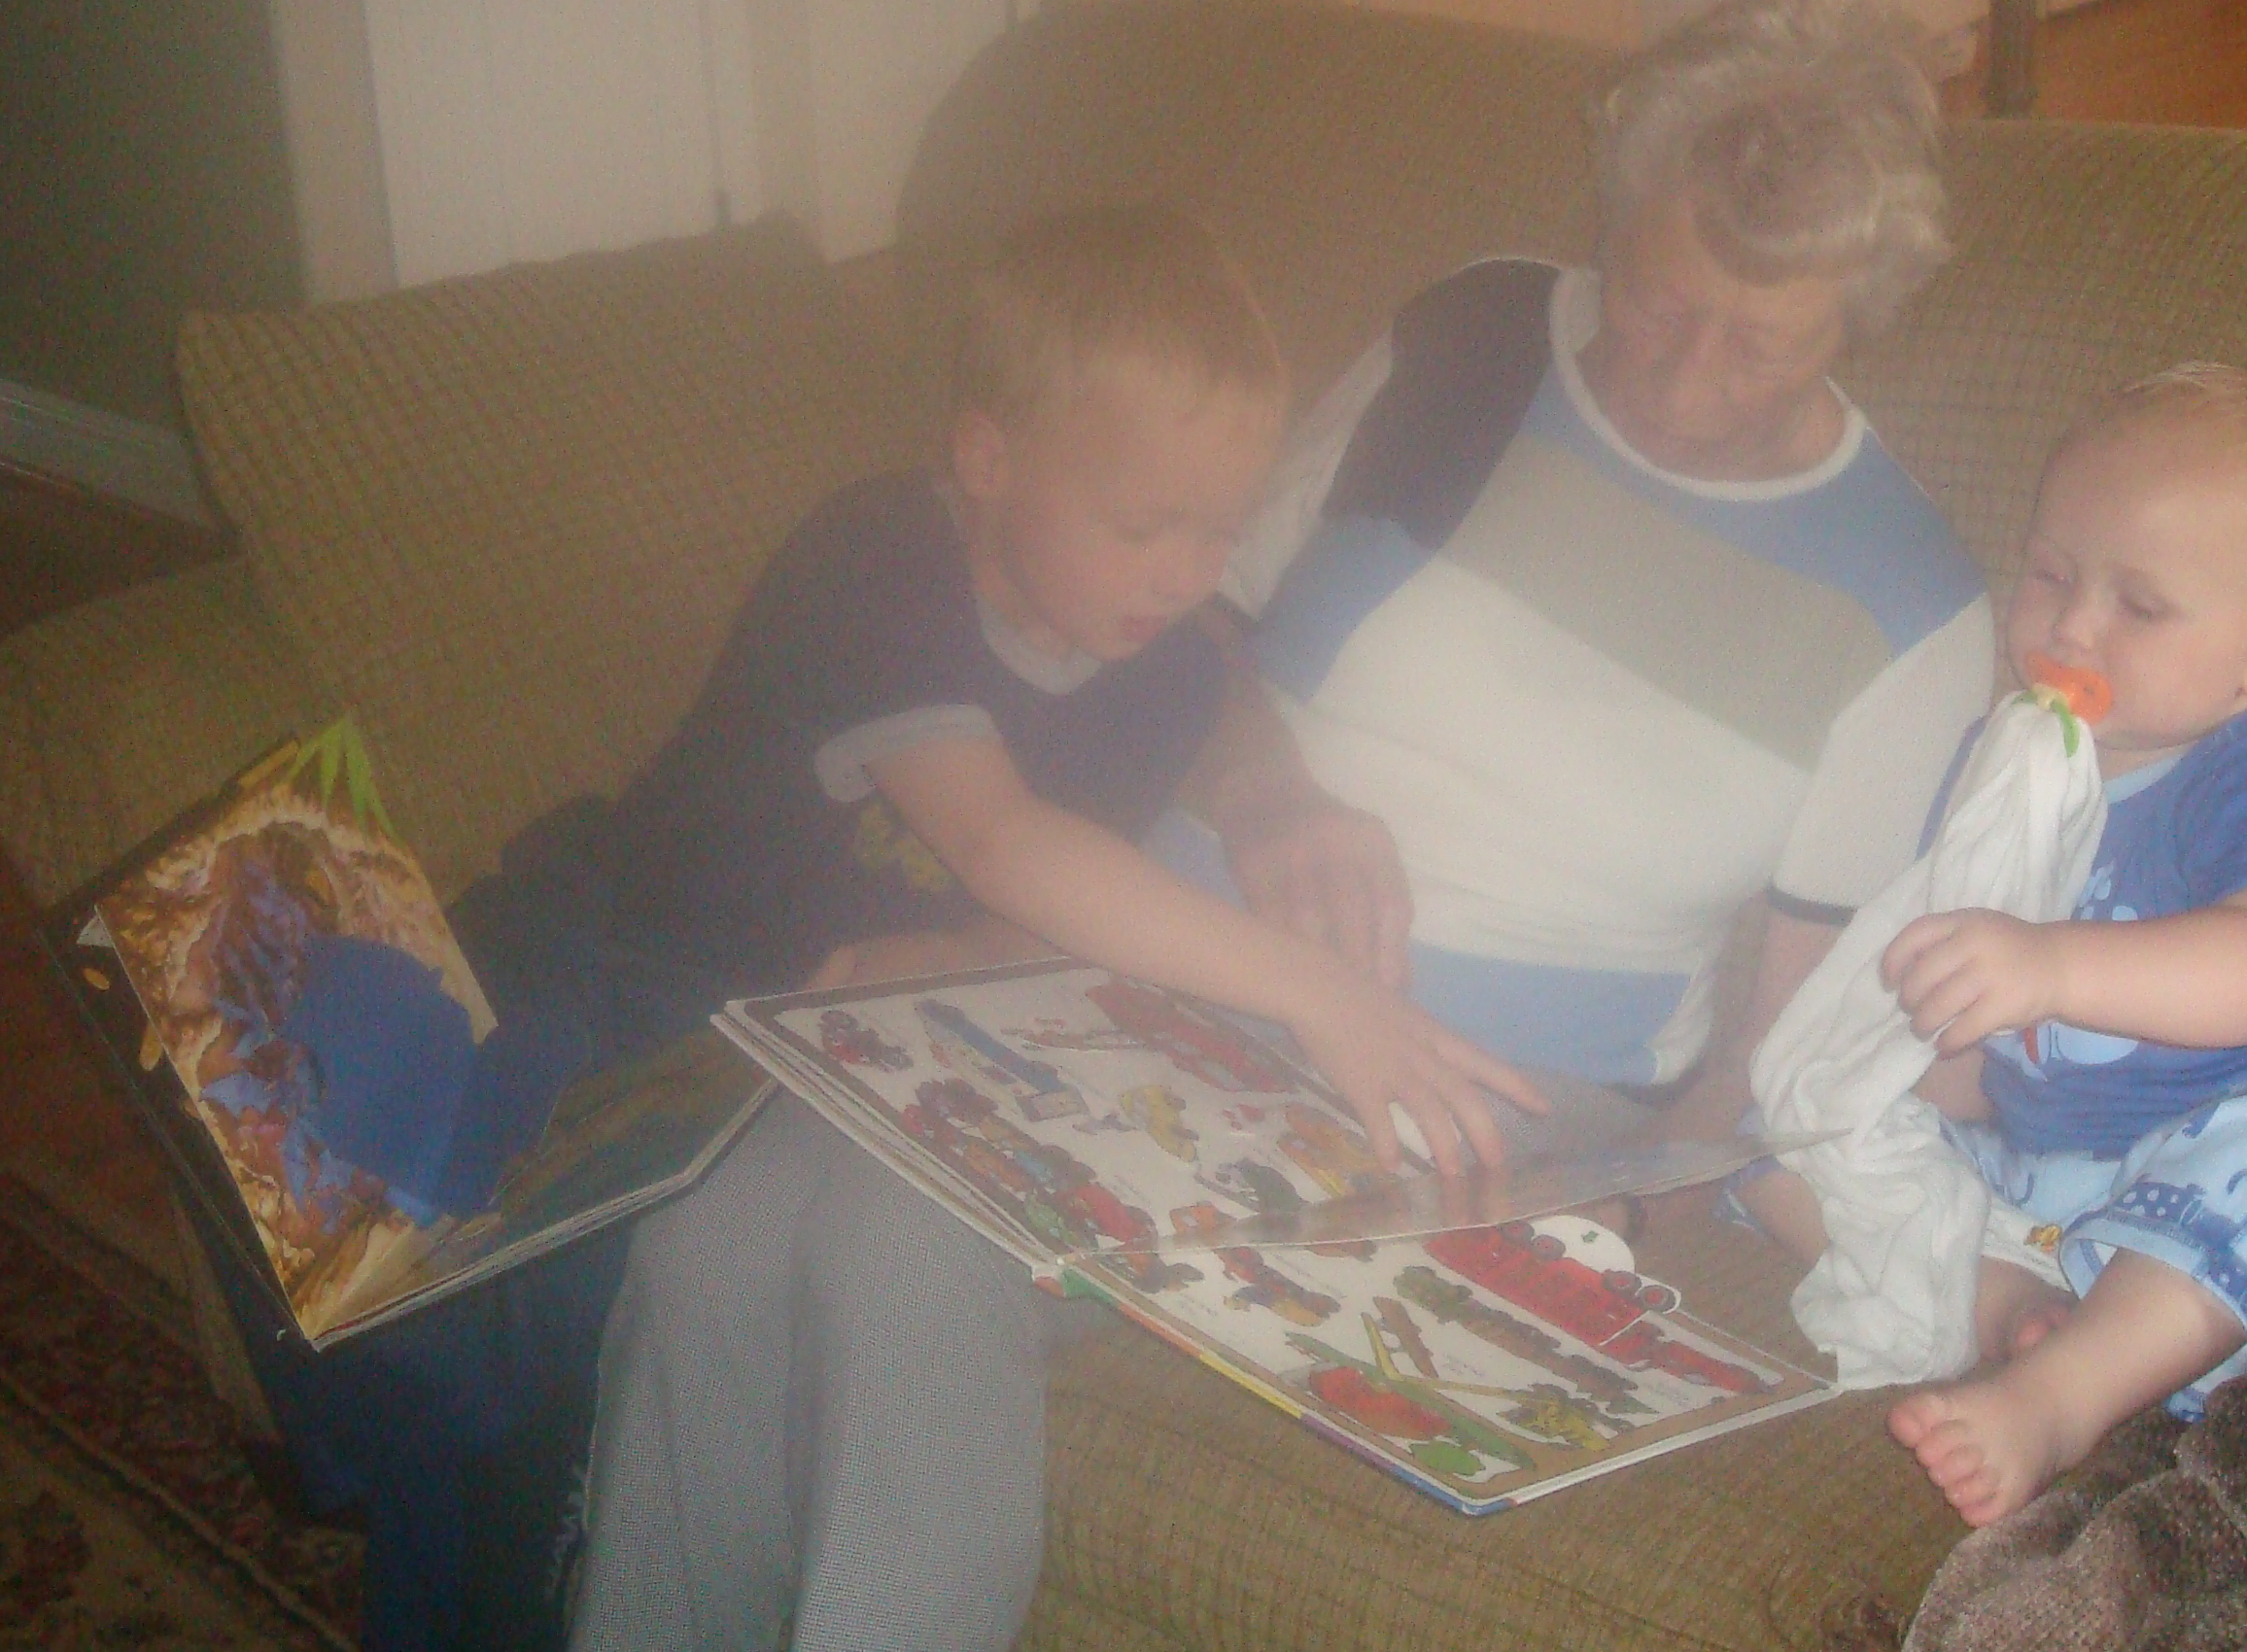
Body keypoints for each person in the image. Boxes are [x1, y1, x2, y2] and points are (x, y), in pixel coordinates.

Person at [569, 204, 1542, 1652]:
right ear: (988, 460)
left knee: (734, 1240)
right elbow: (1005, 843)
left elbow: (1132, 813)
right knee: (690, 1249)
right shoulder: (880, 554)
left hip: (852, 1040)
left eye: (1221, 530)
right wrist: (1322, 995)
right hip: (672, 979)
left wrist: (994, 944)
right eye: (1143, 526)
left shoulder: (1163, 665)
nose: (1186, 573)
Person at [1213, 0, 1996, 1145]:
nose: (1682, 392)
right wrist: (1263, 790)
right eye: (1659, 306)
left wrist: (1627, 1204)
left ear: (1855, 325)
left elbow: (1792, 1047)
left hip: (1497, 1104)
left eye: (1759, 349)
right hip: (1169, 943)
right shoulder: (1476, 337)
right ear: (1613, 227)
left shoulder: (1910, 610)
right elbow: (1192, 615)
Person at [1869, 362, 2247, 1528]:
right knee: (1807, 1134)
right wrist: (1917, 1072)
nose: (2070, 627)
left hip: (2229, 1180)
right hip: (2042, 1168)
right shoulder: (2000, 767)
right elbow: (1958, 1019)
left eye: (2140, 605)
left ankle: (2058, 1395)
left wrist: (2049, 964)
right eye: (2052, 574)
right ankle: (2012, 1301)